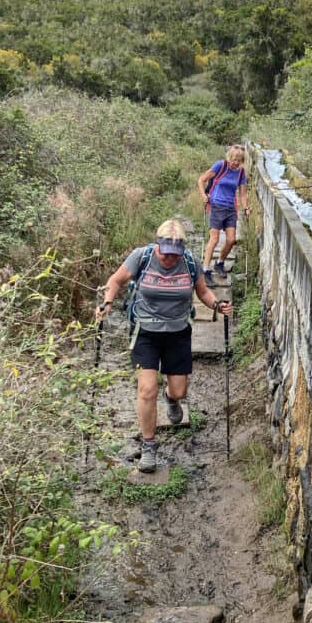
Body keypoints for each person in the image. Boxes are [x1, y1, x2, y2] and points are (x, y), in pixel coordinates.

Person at [95, 219, 232, 473]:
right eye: (166, 254)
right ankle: (149, 446)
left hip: (178, 332)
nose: (170, 259)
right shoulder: (142, 257)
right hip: (145, 331)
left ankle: (171, 399)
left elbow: (202, 291)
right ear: (158, 246)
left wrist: (216, 304)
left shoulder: (189, 261)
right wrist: (108, 302)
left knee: (178, 390)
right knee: (147, 389)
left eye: (174, 255)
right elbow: (115, 280)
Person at [198, 144, 249, 286]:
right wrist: (203, 195)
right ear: (230, 157)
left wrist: (246, 208)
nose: (236, 162)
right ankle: (206, 270)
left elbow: (243, 194)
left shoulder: (241, 173)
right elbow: (201, 180)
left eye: (239, 160)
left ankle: (219, 263)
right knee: (214, 239)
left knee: (231, 240)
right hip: (216, 206)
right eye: (234, 159)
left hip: (231, 209)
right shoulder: (220, 166)